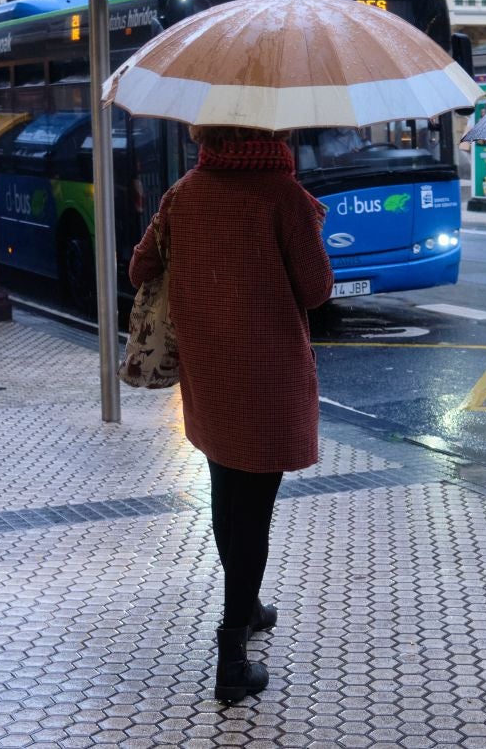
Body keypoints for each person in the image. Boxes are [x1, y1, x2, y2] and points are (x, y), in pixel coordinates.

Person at [129, 125, 333, 704]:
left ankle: (246, 603)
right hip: (269, 373)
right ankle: (233, 649)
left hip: (211, 368)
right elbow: (317, 289)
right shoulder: (282, 193)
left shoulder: (183, 193)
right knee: (256, 510)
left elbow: (141, 268)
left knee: (227, 493)